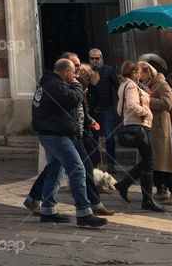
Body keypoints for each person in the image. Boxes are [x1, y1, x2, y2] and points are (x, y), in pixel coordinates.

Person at [24, 53, 114, 218]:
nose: (78, 71)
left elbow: (78, 109)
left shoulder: (57, 84)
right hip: (60, 134)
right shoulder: (57, 85)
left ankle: (47, 207)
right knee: (79, 170)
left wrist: (89, 120)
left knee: (56, 170)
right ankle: (84, 212)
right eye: (75, 67)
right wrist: (77, 84)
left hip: (70, 132)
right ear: (66, 69)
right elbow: (73, 100)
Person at [113, 60, 164, 212]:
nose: (141, 75)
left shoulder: (125, 85)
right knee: (149, 162)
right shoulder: (131, 86)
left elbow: (119, 109)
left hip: (135, 125)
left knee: (147, 160)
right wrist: (146, 112)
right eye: (139, 72)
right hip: (139, 127)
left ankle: (124, 185)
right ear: (134, 73)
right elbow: (131, 106)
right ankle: (147, 200)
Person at [137, 60, 172, 204]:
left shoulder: (162, 84)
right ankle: (161, 190)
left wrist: (147, 101)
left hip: (161, 128)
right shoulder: (147, 85)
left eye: (140, 73)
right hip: (152, 127)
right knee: (155, 162)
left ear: (147, 72)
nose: (139, 77)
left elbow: (167, 104)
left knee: (164, 162)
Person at [87, 48, 119, 171]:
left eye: (97, 58)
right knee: (93, 137)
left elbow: (117, 85)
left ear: (101, 58)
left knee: (109, 136)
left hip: (107, 107)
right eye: (92, 58)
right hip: (93, 109)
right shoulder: (88, 72)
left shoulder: (108, 70)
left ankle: (111, 163)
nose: (95, 60)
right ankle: (95, 163)